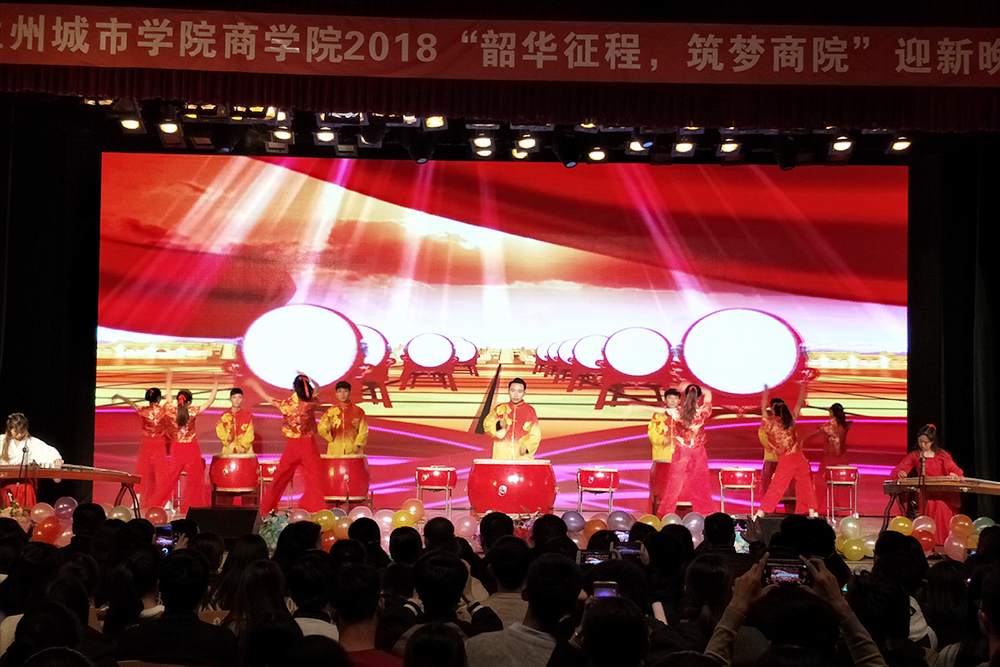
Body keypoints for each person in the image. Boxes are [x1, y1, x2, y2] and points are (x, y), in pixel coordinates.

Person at [247, 374, 328, 513]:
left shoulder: (287, 405)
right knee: (316, 480)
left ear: (293, 387)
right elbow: (318, 389)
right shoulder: (311, 402)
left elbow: (269, 399)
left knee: (279, 478)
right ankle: (317, 511)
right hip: (309, 445)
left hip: (293, 445)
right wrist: (311, 380)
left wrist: (255, 386)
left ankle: (266, 509)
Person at [147, 379, 219, 512]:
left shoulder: (171, 411)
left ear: (178, 400)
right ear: (189, 402)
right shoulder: (192, 412)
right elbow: (210, 401)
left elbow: (168, 395)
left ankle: (157, 504)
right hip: (192, 447)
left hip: (177, 448)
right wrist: (215, 385)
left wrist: (169, 379)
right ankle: (191, 509)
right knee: (195, 479)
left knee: (171, 477)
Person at [890, 424, 962, 544]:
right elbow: (899, 468)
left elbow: (953, 468)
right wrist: (900, 473)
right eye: (920, 442)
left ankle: (944, 541)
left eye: (925, 442)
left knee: (941, 506)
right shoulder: (915, 455)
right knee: (929, 504)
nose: (922, 445)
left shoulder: (942, 455)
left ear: (932, 442)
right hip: (926, 492)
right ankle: (929, 540)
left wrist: (954, 474)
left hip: (943, 492)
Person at [754, 383, 817, 518]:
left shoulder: (770, 425)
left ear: (773, 410)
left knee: (777, 486)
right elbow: (799, 405)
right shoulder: (791, 421)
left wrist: (766, 392)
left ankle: (761, 512)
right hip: (799, 456)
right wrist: (803, 388)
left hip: (786, 459)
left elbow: (763, 409)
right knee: (805, 483)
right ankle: (813, 511)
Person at [658, 384, 715, 517]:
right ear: (698, 398)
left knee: (674, 485)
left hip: (682, 452)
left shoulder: (678, 413)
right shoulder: (702, 412)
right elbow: (709, 394)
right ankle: (704, 514)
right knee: (700, 484)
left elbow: (663, 410)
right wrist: (693, 386)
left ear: (684, 397)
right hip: (698, 453)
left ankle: (666, 514)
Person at [112, 374, 171, 501]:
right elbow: (169, 400)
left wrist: (121, 397)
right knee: (162, 470)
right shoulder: (164, 410)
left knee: (141, 469)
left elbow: (131, 404)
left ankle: (136, 498)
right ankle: (166, 501)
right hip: (159, 442)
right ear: (159, 398)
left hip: (147, 442)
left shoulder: (144, 410)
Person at [0, 414, 63, 508]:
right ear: (10, 429)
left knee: (27, 489)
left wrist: (56, 459)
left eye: (22, 431)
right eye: (16, 431)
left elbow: (49, 451)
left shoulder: (31, 442)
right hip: (6, 481)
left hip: (25, 482)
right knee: (7, 491)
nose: (19, 434)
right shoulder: (2, 441)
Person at [809, 403, 852, 516]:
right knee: (840, 485)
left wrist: (804, 439)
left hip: (829, 459)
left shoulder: (829, 426)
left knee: (821, 484)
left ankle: (816, 509)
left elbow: (816, 432)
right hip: (841, 459)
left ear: (832, 413)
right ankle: (842, 508)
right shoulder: (845, 425)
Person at [483, 379, 541, 460]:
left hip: (522, 457)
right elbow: (487, 424)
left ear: (524, 393)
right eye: (513, 390)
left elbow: (536, 436)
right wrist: (498, 427)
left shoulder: (529, 411)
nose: (516, 395)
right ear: (508, 391)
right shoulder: (500, 408)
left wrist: (525, 451)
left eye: (519, 391)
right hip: (501, 455)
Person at [648, 388, 681, 516]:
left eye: (675, 398)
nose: (672, 401)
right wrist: (663, 439)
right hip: (663, 457)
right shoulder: (658, 416)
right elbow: (652, 434)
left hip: (680, 458)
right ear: (665, 400)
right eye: (670, 398)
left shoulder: (683, 416)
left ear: (679, 400)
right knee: (661, 490)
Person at [319, 381, 368, 456]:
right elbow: (321, 428)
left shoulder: (358, 411)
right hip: (335, 449)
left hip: (353, 449)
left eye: (345, 391)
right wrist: (327, 429)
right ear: (336, 394)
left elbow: (363, 430)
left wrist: (358, 445)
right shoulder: (331, 411)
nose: (342, 394)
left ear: (349, 393)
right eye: (340, 392)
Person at [216, 388, 255, 454]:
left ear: (242, 399)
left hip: (245, 451)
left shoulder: (248, 416)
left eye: (239, 398)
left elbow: (250, 434)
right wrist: (228, 439)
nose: (236, 400)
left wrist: (242, 446)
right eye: (234, 398)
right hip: (229, 449)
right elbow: (220, 431)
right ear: (230, 399)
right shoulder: (224, 416)